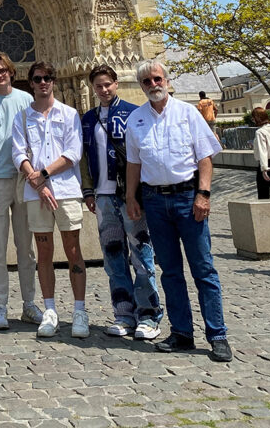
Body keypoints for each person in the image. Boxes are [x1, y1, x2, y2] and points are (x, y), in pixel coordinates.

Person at [125, 61, 231, 361]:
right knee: (170, 271)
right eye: (146, 81)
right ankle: (182, 332)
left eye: (157, 78)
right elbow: (134, 163)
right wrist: (131, 197)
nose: (153, 84)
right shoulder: (136, 119)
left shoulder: (187, 113)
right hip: (155, 201)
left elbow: (205, 158)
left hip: (188, 197)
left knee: (203, 268)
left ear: (167, 81)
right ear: (142, 86)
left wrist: (204, 194)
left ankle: (217, 334)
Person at [81, 64, 162, 339]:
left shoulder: (134, 113)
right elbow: (84, 158)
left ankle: (149, 316)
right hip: (103, 197)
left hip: (130, 196)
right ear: (92, 89)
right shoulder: (88, 119)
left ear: (116, 83)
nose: (103, 90)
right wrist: (88, 191)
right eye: (98, 86)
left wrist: (137, 193)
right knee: (113, 257)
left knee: (141, 254)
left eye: (107, 84)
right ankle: (124, 313)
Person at [12, 61, 89, 339]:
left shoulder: (69, 114)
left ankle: (79, 311)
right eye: (37, 79)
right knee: (43, 253)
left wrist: (42, 175)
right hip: (36, 194)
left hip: (66, 190)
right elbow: (18, 153)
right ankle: (50, 310)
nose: (43, 82)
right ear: (30, 83)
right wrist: (37, 181)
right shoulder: (21, 118)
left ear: (54, 81)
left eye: (47, 78)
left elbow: (73, 153)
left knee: (72, 251)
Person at [0, 51, 41, 330]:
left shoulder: (26, 99)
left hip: (23, 179)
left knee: (26, 249)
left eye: (3, 70)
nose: (0, 74)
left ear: (12, 72)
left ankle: (28, 304)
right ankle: (0, 306)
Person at [252, 107, 270, 199]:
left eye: (253, 118)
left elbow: (263, 150)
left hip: (267, 163)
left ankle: (265, 213)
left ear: (257, 118)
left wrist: (264, 168)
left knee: (263, 193)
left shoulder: (260, 132)